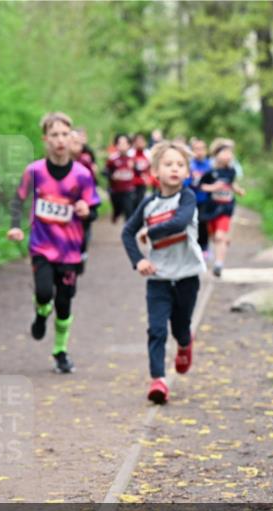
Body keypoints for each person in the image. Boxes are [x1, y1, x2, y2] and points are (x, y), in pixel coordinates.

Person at [8, 112, 100, 374]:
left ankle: (60, 351)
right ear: (45, 139)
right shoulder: (34, 171)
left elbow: (92, 210)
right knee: (45, 292)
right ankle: (41, 311)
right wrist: (15, 226)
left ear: (71, 139)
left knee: (64, 304)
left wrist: (85, 211)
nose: (60, 140)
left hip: (70, 251)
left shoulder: (82, 175)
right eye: (55, 135)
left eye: (65, 134)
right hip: (41, 245)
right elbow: (18, 199)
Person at [120, 141, 205, 405]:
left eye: (180, 165)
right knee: (156, 329)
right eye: (168, 164)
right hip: (158, 278)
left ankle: (183, 344)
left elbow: (179, 222)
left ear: (188, 173)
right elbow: (126, 233)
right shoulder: (147, 205)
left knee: (180, 327)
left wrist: (151, 232)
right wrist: (138, 261)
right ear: (155, 172)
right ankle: (158, 380)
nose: (175, 169)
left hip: (186, 276)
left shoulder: (187, 198)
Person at [198, 139, 246, 277]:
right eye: (225, 152)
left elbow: (231, 184)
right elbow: (201, 186)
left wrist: (238, 190)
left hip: (226, 208)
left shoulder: (231, 171)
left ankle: (219, 264)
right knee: (215, 236)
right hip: (212, 208)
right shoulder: (209, 171)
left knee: (219, 236)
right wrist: (213, 187)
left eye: (230, 152)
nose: (229, 155)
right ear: (216, 154)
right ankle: (221, 243)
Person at [188, 138, 213, 256]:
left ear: (206, 150)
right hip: (190, 199)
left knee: (203, 222)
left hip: (205, 199)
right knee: (191, 222)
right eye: (196, 149)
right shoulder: (189, 165)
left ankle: (204, 247)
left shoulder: (210, 165)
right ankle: (192, 246)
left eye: (202, 149)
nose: (199, 152)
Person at [105, 133, 137, 224]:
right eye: (120, 143)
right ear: (116, 145)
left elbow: (138, 171)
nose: (122, 146)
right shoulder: (112, 159)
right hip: (115, 190)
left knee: (129, 211)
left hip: (128, 190)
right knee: (117, 208)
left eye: (125, 143)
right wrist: (112, 176)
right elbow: (106, 172)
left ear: (129, 145)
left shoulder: (132, 159)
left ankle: (127, 232)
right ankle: (116, 214)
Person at [131, 133, 152, 203]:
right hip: (132, 182)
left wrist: (149, 177)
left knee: (141, 200)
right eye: (138, 142)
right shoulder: (130, 153)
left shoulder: (148, 153)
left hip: (143, 181)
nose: (140, 144)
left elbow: (150, 167)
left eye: (142, 141)